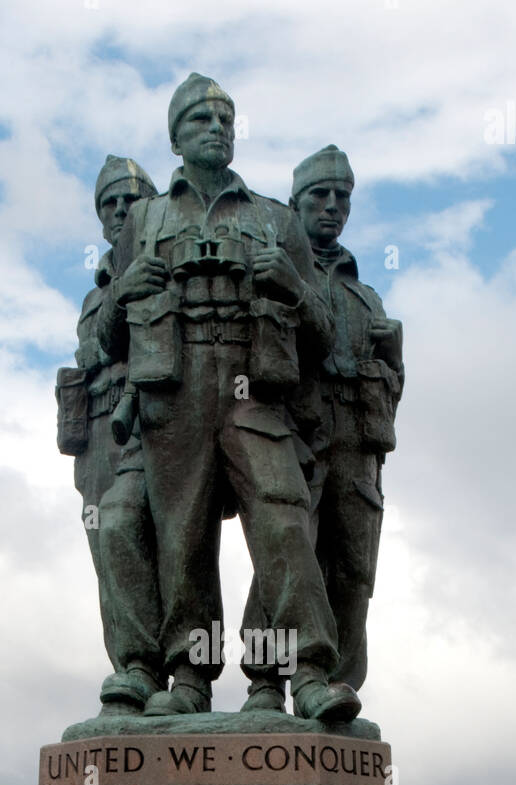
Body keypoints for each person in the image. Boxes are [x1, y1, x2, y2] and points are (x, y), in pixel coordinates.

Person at [97, 74, 360, 723]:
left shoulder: (275, 218)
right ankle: (189, 676)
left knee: (283, 519)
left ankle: (312, 672)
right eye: (200, 122)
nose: (216, 130)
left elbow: (324, 338)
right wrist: (126, 286)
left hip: (254, 393)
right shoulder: (145, 219)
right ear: (175, 137)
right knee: (181, 538)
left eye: (225, 120)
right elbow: (110, 340)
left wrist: (294, 287)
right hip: (176, 390)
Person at [241, 145, 404, 708]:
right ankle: (265, 681)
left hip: (358, 442)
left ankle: (339, 686)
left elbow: (392, 386)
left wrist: (395, 356)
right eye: (320, 196)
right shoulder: (272, 269)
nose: (333, 207)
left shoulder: (367, 297)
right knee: (286, 551)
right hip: (297, 430)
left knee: (356, 571)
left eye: (343, 197)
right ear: (295, 204)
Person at [56, 155, 165, 712]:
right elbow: (92, 351)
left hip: (152, 415)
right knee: (107, 549)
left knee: (155, 540)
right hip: (98, 428)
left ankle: (167, 670)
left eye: (130, 199)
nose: (121, 210)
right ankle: (130, 671)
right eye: (110, 203)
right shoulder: (96, 290)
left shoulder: (160, 262)